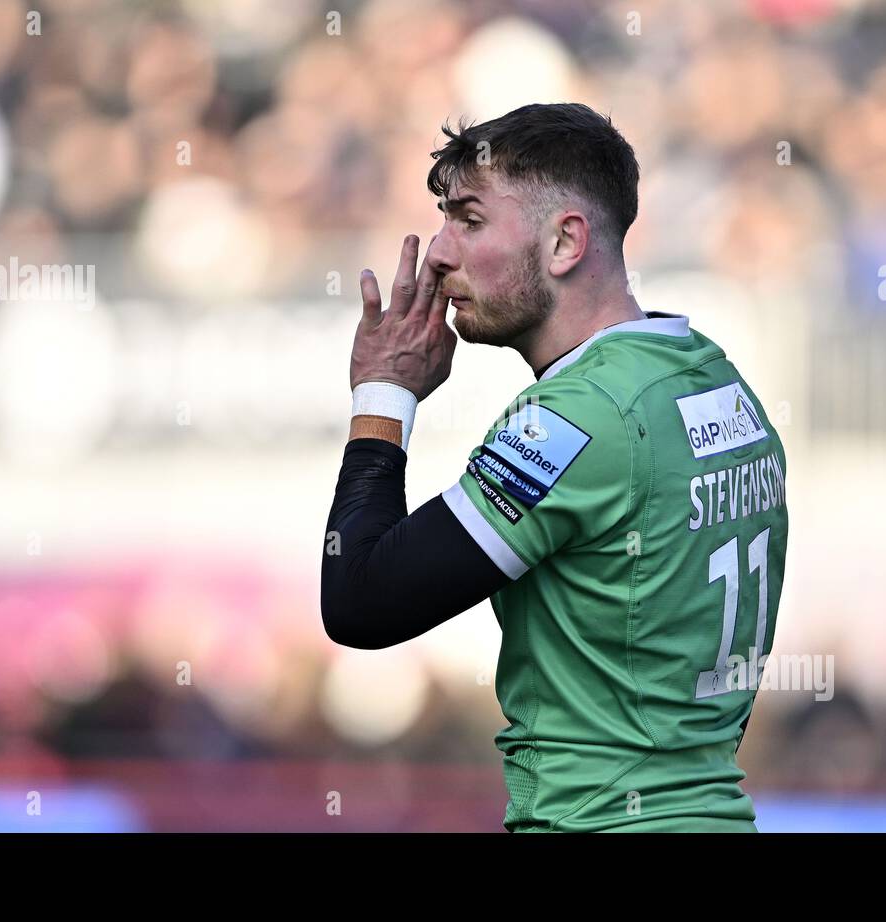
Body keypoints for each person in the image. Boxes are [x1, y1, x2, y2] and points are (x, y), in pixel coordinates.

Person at [321, 103, 789, 832]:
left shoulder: (575, 417)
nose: (439, 253)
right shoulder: (719, 386)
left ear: (565, 241)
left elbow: (359, 601)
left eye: (469, 221)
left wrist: (384, 396)